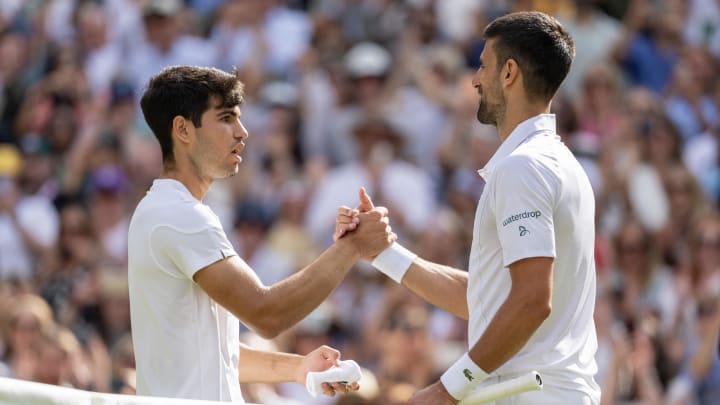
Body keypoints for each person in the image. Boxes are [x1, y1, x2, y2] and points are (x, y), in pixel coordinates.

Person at [336, 11, 601, 405]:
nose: (475, 79)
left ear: (509, 72)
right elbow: (486, 301)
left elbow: (531, 301)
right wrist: (384, 254)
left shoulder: (523, 167)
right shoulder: (559, 164)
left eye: (482, 66)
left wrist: (448, 389)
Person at [128, 65, 395, 402]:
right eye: (226, 118)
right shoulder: (180, 216)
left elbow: (214, 352)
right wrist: (352, 248)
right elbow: (267, 314)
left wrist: (298, 368)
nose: (243, 132)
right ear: (182, 129)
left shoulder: (164, 210)